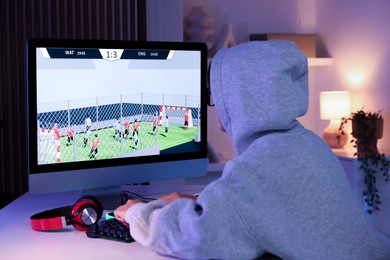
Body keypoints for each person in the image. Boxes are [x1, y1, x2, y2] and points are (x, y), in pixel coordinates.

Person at [114, 41, 390, 259]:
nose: (219, 117)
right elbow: (270, 206)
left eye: (219, 99)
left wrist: (139, 213)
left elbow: (195, 237)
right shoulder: (305, 144)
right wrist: (202, 199)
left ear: (240, 100)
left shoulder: (259, 167)